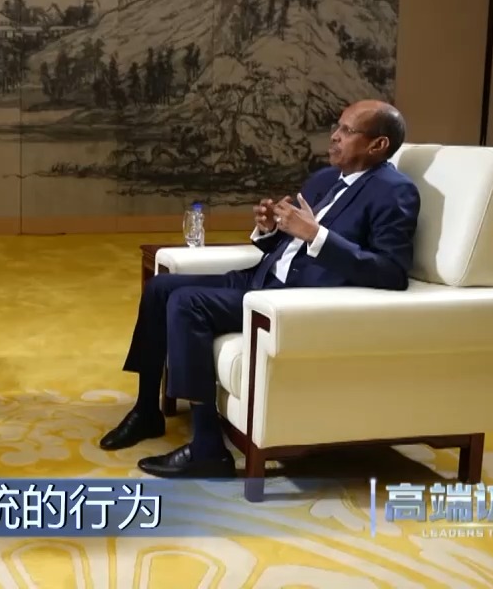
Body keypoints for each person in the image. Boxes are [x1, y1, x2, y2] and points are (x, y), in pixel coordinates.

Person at [100, 100, 421, 479]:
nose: (334, 136)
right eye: (337, 127)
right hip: (260, 279)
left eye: (347, 131)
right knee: (160, 287)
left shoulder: (394, 192)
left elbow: (390, 272)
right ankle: (146, 411)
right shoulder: (324, 179)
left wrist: (316, 234)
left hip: (293, 299)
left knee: (187, 303)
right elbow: (290, 245)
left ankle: (207, 448)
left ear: (378, 145)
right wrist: (270, 229)